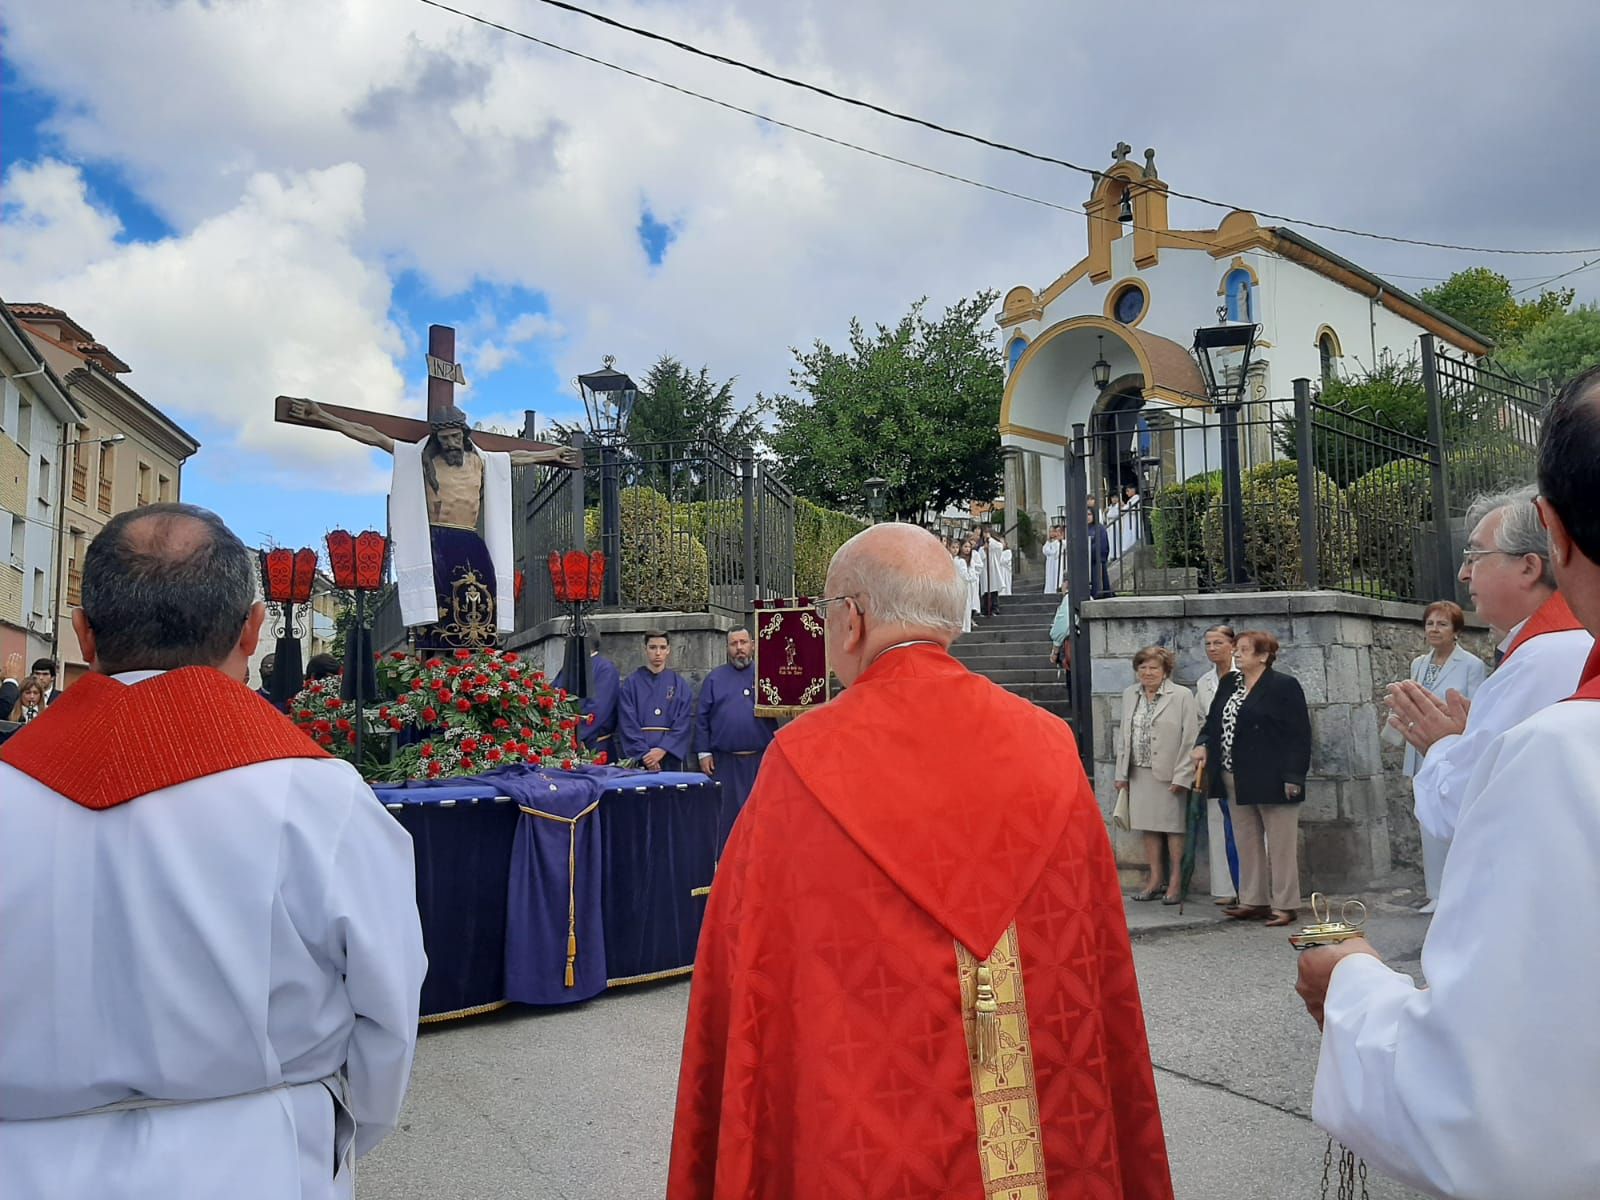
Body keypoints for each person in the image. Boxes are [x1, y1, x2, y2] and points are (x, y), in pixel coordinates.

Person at [668, 524, 1172, 1198]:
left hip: (868, 1150)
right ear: (955, 621)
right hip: (1038, 1120)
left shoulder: (803, 760)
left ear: (851, 620)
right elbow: (1090, 952)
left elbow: (750, 964)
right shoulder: (1050, 745)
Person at [0, 502, 426, 1198]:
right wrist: (333, 1135)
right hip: (257, 1161)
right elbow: (388, 1011)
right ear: (253, 631)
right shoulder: (318, 796)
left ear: (83, 631)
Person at [1295, 366, 1600, 1200]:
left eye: (1475, 557)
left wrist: (1350, 982)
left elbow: (1494, 1118)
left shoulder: (1567, 740)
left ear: (1551, 541)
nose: (1461, 578)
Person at [286, 398, 578, 651]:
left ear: (463, 434)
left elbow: (517, 457)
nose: (450, 443)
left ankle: (477, 658)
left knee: (478, 602)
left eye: (454, 436)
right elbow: (373, 435)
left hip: (470, 540)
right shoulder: (420, 460)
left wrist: (550, 454)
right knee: (438, 610)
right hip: (437, 540)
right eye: (444, 438)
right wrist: (322, 415)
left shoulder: (481, 461)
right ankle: (434, 658)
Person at [1389, 485, 1592, 846]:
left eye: (1474, 556)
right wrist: (1472, 736)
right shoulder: (1574, 640)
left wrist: (1442, 745)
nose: (1464, 574)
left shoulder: (1538, 661)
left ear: (1529, 566)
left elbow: (1461, 809)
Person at [1192, 630, 1311, 928]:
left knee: (1281, 843)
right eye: (1239, 649)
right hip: (1234, 774)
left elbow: (1299, 734)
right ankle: (1253, 899)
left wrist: (1293, 776)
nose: (1238, 654)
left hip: (1273, 775)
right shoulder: (1229, 683)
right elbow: (1213, 721)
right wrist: (1202, 743)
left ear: (1263, 656)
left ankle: (1285, 904)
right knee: (1246, 840)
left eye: (1245, 650)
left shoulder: (1283, 685)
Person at [1399, 600, 1487, 912]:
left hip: (1452, 747)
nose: (1434, 630)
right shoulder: (1419, 664)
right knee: (1426, 818)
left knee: (1453, 818)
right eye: (1430, 624)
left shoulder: (1471, 665)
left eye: (1442, 624)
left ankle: (1459, 891)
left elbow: (1473, 709)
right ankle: (1434, 891)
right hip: (1421, 747)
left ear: (1456, 631)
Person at [1115, 646, 1201, 904]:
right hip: (1139, 771)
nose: (1148, 673)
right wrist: (1122, 773)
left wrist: (1182, 775)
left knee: (1174, 827)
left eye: (1153, 668)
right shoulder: (1131, 694)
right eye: (1142, 668)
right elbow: (1124, 735)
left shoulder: (1182, 695)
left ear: (1165, 671)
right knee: (1147, 827)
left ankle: (1175, 880)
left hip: (1169, 773)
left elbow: (1190, 738)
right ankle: (1155, 879)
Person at [694, 628, 777, 852]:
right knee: (727, 820)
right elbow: (702, 717)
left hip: (760, 762)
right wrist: (703, 752)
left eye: (743, 642)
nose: (739, 648)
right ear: (727, 648)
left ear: (752, 645)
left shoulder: (767, 675)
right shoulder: (715, 678)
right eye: (733, 644)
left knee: (761, 817)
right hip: (725, 763)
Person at [1194, 624, 1241, 906]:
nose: (1212, 649)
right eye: (1208, 644)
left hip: (1242, 761)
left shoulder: (1244, 676)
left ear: (1232, 645)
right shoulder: (1204, 682)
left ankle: (1253, 887)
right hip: (1215, 759)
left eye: (1218, 643)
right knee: (1218, 821)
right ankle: (1225, 887)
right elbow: (1203, 720)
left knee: (1247, 826)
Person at [617, 630, 693, 772]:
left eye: (662, 648)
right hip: (641, 758)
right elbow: (627, 722)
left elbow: (683, 722)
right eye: (653, 647)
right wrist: (644, 754)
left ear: (668, 650)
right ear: (645, 649)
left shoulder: (679, 684)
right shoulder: (631, 684)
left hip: (670, 756)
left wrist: (664, 748)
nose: (658, 653)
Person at [555, 633, 620, 751]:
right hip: (564, 741)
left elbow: (598, 708)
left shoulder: (605, 669)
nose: (565, 644)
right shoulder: (568, 667)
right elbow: (553, 694)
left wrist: (575, 735)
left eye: (569, 639)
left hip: (593, 745)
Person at [1088, 503, 1113, 598]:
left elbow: (1103, 545)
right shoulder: (1082, 529)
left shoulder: (1100, 528)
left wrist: (1091, 551)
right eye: (1086, 515)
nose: (1088, 517)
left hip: (1096, 562)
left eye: (1090, 514)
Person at [982, 525, 1004, 616]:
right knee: (986, 591)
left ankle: (995, 608)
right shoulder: (981, 548)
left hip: (993, 571)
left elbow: (999, 547)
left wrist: (990, 540)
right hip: (985, 572)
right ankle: (986, 609)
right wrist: (984, 550)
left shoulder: (995, 547)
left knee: (993, 590)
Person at [959, 540, 981, 624]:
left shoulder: (971, 560)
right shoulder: (959, 560)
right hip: (963, 585)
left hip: (971, 585)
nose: (967, 549)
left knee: (971, 604)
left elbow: (974, 572)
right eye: (965, 547)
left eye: (969, 547)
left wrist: (972, 575)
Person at [1041, 524, 1063, 593]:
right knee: (1049, 577)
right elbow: (1044, 550)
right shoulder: (1048, 542)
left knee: (1056, 577)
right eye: (1050, 531)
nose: (1051, 533)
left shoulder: (1058, 543)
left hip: (1056, 562)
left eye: (1052, 531)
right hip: (1049, 563)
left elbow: (1055, 552)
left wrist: (1049, 551)